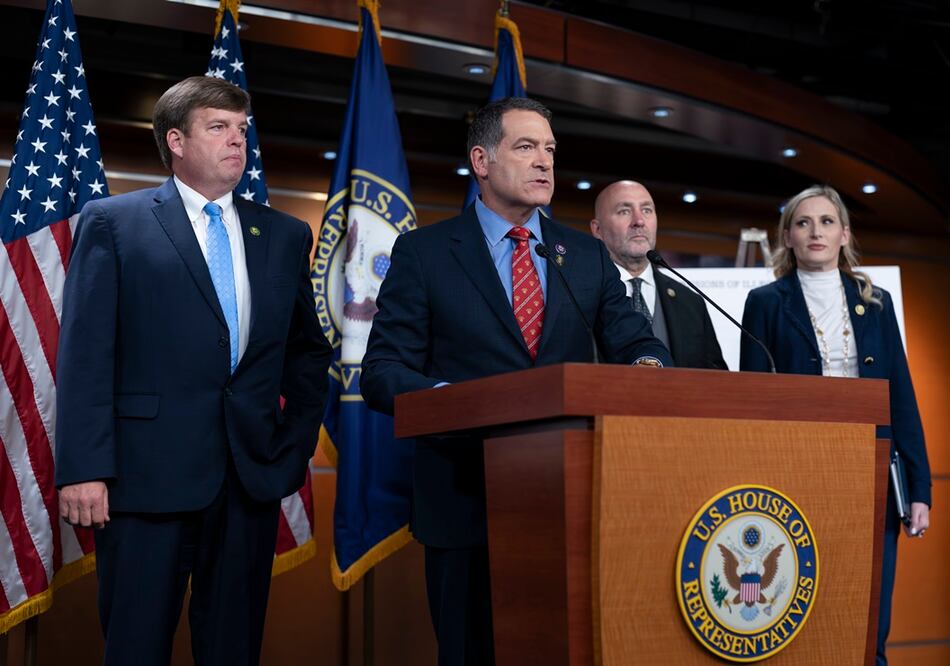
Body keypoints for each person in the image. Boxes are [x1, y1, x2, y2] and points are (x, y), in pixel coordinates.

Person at [359, 97, 671, 665]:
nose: (544, 162)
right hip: (463, 498)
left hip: (571, 501)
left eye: (549, 149)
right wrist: (456, 403)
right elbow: (383, 372)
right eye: (525, 147)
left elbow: (639, 345)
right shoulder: (425, 253)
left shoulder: (585, 255)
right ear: (481, 159)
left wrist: (647, 375)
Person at [54, 76, 332, 666]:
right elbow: (84, 355)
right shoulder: (113, 222)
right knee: (136, 648)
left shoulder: (282, 233)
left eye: (242, 130)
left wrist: (292, 448)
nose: (238, 142)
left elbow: (306, 354)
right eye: (219, 128)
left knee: (233, 649)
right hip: (142, 482)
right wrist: (84, 468)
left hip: (248, 481)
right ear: (176, 140)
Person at [739, 184, 930, 665]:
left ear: (844, 233)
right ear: (788, 236)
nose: (815, 232)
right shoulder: (764, 302)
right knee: (806, 604)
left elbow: (901, 398)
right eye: (803, 223)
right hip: (795, 473)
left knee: (872, 613)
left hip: (874, 473)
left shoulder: (877, 302)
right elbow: (753, 401)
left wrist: (919, 489)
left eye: (826, 222)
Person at [591, 180, 728, 369]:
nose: (639, 221)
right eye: (624, 211)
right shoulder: (582, 297)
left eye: (647, 210)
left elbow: (716, 378)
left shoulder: (690, 301)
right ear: (597, 229)